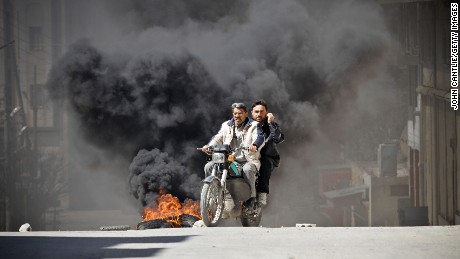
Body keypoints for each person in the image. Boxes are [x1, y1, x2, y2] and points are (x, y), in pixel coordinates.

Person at [201, 102, 264, 217]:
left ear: (246, 114)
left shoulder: (254, 125)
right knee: (209, 166)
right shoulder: (226, 125)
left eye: (240, 113)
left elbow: (259, 137)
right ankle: (211, 192)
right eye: (235, 113)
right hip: (229, 159)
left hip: (247, 159)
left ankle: (251, 199)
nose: (237, 116)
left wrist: (254, 145)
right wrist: (209, 146)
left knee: (248, 169)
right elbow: (218, 137)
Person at [251, 100, 285, 206]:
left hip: (267, 156)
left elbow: (278, 138)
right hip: (249, 156)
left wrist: (270, 123)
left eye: (262, 111)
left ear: (266, 113)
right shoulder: (248, 125)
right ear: (252, 113)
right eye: (256, 111)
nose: (259, 114)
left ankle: (262, 193)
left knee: (264, 163)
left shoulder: (271, 125)